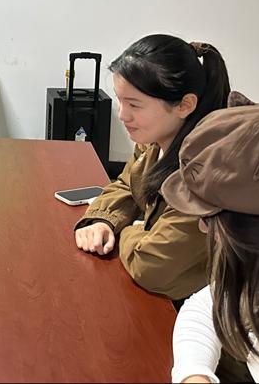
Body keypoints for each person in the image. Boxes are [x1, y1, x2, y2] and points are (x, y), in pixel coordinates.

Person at [74, 34, 230, 300]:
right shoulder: (155, 141)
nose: (122, 115)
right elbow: (127, 184)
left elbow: (151, 267)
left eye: (134, 104)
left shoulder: (204, 174)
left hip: (203, 307)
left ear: (185, 105)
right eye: (120, 100)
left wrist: (128, 229)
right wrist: (103, 220)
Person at [160, 95, 259, 383]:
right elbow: (208, 306)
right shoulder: (254, 278)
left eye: (209, 218)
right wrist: (193, 372)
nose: (203, 228)